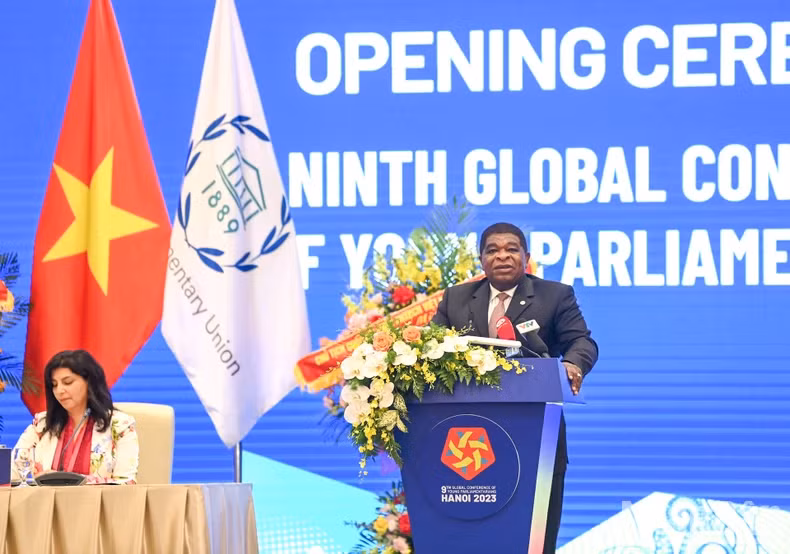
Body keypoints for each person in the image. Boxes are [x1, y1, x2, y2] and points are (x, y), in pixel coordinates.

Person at [432, 222, 598, 552]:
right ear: (481, 259)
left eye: (511, 249)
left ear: (526, 256)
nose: (502, 256)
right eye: (492, 250)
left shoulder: (554, 295)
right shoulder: (456, 298)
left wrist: (573, 363)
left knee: (534, 538)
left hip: (536, 434)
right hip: (468, 438)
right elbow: (430, 348)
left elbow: (581, 341)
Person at [13, 349, 139, 484]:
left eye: (67, 382)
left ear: (89, 382)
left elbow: (126, 483)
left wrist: (69, 480)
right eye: (54, 385)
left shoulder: (120, 425)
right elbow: (12, 473)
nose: (59, 391)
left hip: (98, 499)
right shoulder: (42, 425)